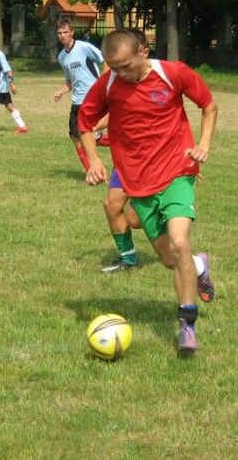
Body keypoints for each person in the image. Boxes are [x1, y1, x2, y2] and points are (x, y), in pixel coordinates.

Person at [78, 30, 218, 354]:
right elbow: (84, 122)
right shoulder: (109, 83)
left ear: (143, 51)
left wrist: (203, 144)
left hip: (177, 170)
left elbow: (209, 106)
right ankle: (199, 266)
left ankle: (187, 324)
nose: (121, 74)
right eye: (114, 68)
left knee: (180, 242)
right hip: (137, 181)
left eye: (125, 66)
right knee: (170, 259)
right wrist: (94, 160)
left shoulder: (173, 74)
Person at [53, 17, 105, 171]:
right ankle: (92, 172)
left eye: (65, 32)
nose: (63, 36)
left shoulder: (84, 47)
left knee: (87, 136)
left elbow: (105, 59)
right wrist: (61, 91)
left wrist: (103, 82)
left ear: (72, 32)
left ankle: (94, 171)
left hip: (91, 98)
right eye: (60, 33)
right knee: (76, 138)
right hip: (77, 101)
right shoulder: (62, 57)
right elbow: (70, 81)